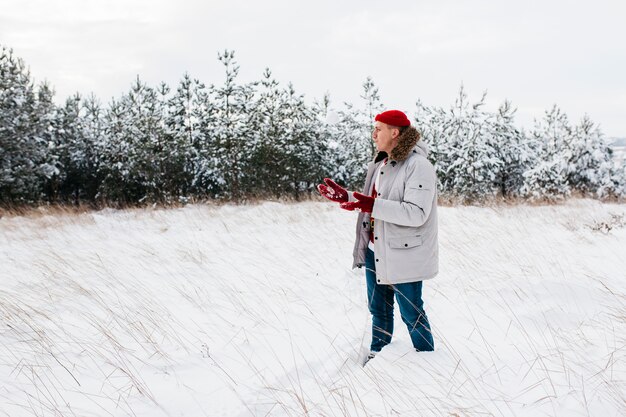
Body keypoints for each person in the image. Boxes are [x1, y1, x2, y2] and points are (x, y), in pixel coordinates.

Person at [317, 109, 438, 363]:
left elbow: (416, 213)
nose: (374, 135)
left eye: (379, 129)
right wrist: (349, 197)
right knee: (379, 311)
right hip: (376, 251)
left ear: (395, 132)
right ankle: (379, 360)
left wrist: (368, 204)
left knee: (412, 314)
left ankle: (429, 365)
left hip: (405, 253)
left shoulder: (419, 166)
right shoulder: (381, 163)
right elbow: (375, 202)